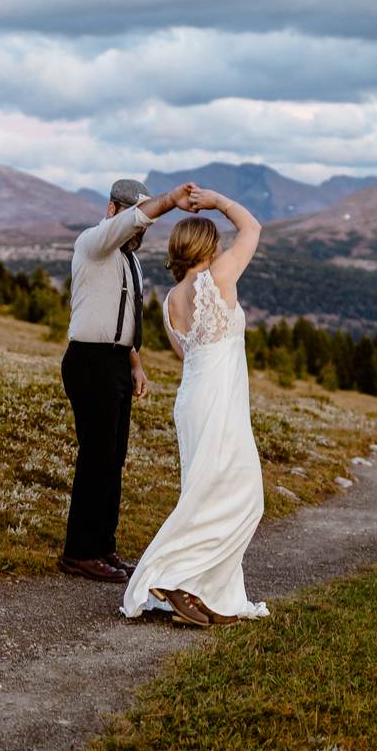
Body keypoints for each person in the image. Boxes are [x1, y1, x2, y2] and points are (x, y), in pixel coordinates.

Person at [121, 186, 267, 626]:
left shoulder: (169, 303)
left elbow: (191, 354)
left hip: (193, 400)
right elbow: (253, 227)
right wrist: (220, 202)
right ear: (209, 247)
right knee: (245, 499)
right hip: (218, 399)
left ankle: (204, 593)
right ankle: (170, 574)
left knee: (205, 495)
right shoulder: (218, 277)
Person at [58, 177, 199, 582]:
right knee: (96, 456)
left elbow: (124, 318)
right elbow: (134, 220)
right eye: (134, 221)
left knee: (113, 459)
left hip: (118, 362)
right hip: (89, 361)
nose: (138, 231)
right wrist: (170, 201)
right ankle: (79, 553)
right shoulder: (93, 243)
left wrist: (135, 363)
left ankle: (104, 546)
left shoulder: (131, 262)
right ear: (112, 211)